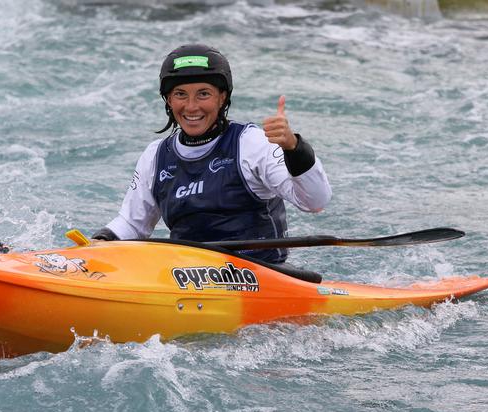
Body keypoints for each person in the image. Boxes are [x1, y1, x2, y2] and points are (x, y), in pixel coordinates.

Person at [92, 44, 331, 265]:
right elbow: (132, 224)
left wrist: (293, 147)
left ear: (222, 97)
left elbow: (315, 201)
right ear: (168, 99)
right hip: (184, 275)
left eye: (203, 94)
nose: (192, 106)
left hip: (261, 273)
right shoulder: (155, 156)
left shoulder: (251, 143)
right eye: (180, 94)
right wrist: (100, 242)